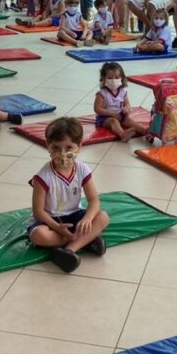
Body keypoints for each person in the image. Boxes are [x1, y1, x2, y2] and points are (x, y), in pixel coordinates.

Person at [27, 116, 110, 272]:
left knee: (103, 217)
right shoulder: (42, 176)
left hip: (75, 216)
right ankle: (86, 240)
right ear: (48, 146)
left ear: (79, 146)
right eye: (56, 148)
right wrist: (57, 227)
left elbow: (94, 200)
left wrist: (87, 219)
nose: (62, 153)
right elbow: (38, 212)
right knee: (38, 235)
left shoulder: (82, 169)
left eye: (69, 147)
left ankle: (69, 249)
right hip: (50, 221)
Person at [93, 62, 146, 141]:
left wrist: (126, 108)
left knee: (130, 121)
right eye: (110, 78)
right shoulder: (102, 94)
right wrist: (112, 113)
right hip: (105, 117)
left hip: (120, 115)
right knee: (113, 122)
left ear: (122, 78)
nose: (113, 80)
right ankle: (123, 135)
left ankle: (145, 131)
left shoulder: (122, 91)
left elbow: (127, 104)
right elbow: (97, 109)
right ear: (103, 79)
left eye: (117, 77)